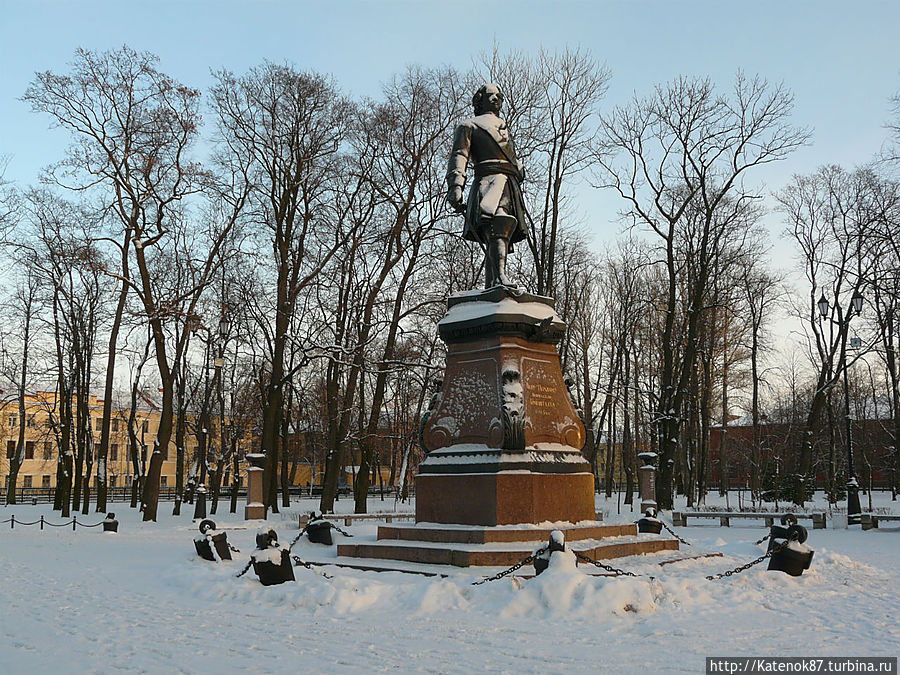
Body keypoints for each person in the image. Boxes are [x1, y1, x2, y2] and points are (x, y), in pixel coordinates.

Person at [446, 83, 527, 288]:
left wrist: (518, 167)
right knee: (499, 222)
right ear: (479, 100)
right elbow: (460, 156)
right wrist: (456, 187)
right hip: (489, 182)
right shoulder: (469, 126)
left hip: (509, 184)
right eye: (490, 95)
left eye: (499, 95)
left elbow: (513, 159)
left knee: (502, 229)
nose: (495, 98)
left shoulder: (504, 129)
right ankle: (498, 277)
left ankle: (495, 281)